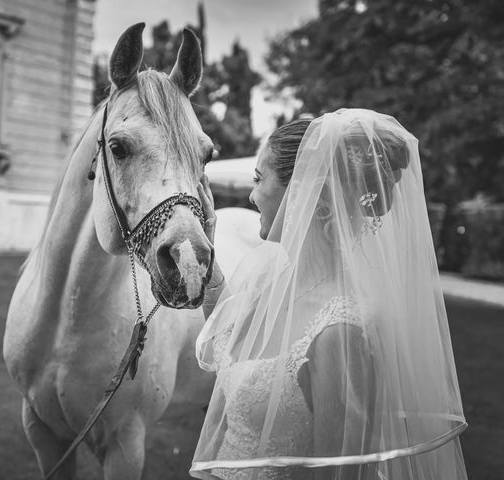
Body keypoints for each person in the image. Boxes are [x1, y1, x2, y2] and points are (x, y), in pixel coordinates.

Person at [191, 109, 468, 480]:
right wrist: (205, 259)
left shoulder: (339, 329)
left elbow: (341, 471)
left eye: (260, 180)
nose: (253, 196)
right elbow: (229, 342)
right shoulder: (272, 282)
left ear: (304, 192)